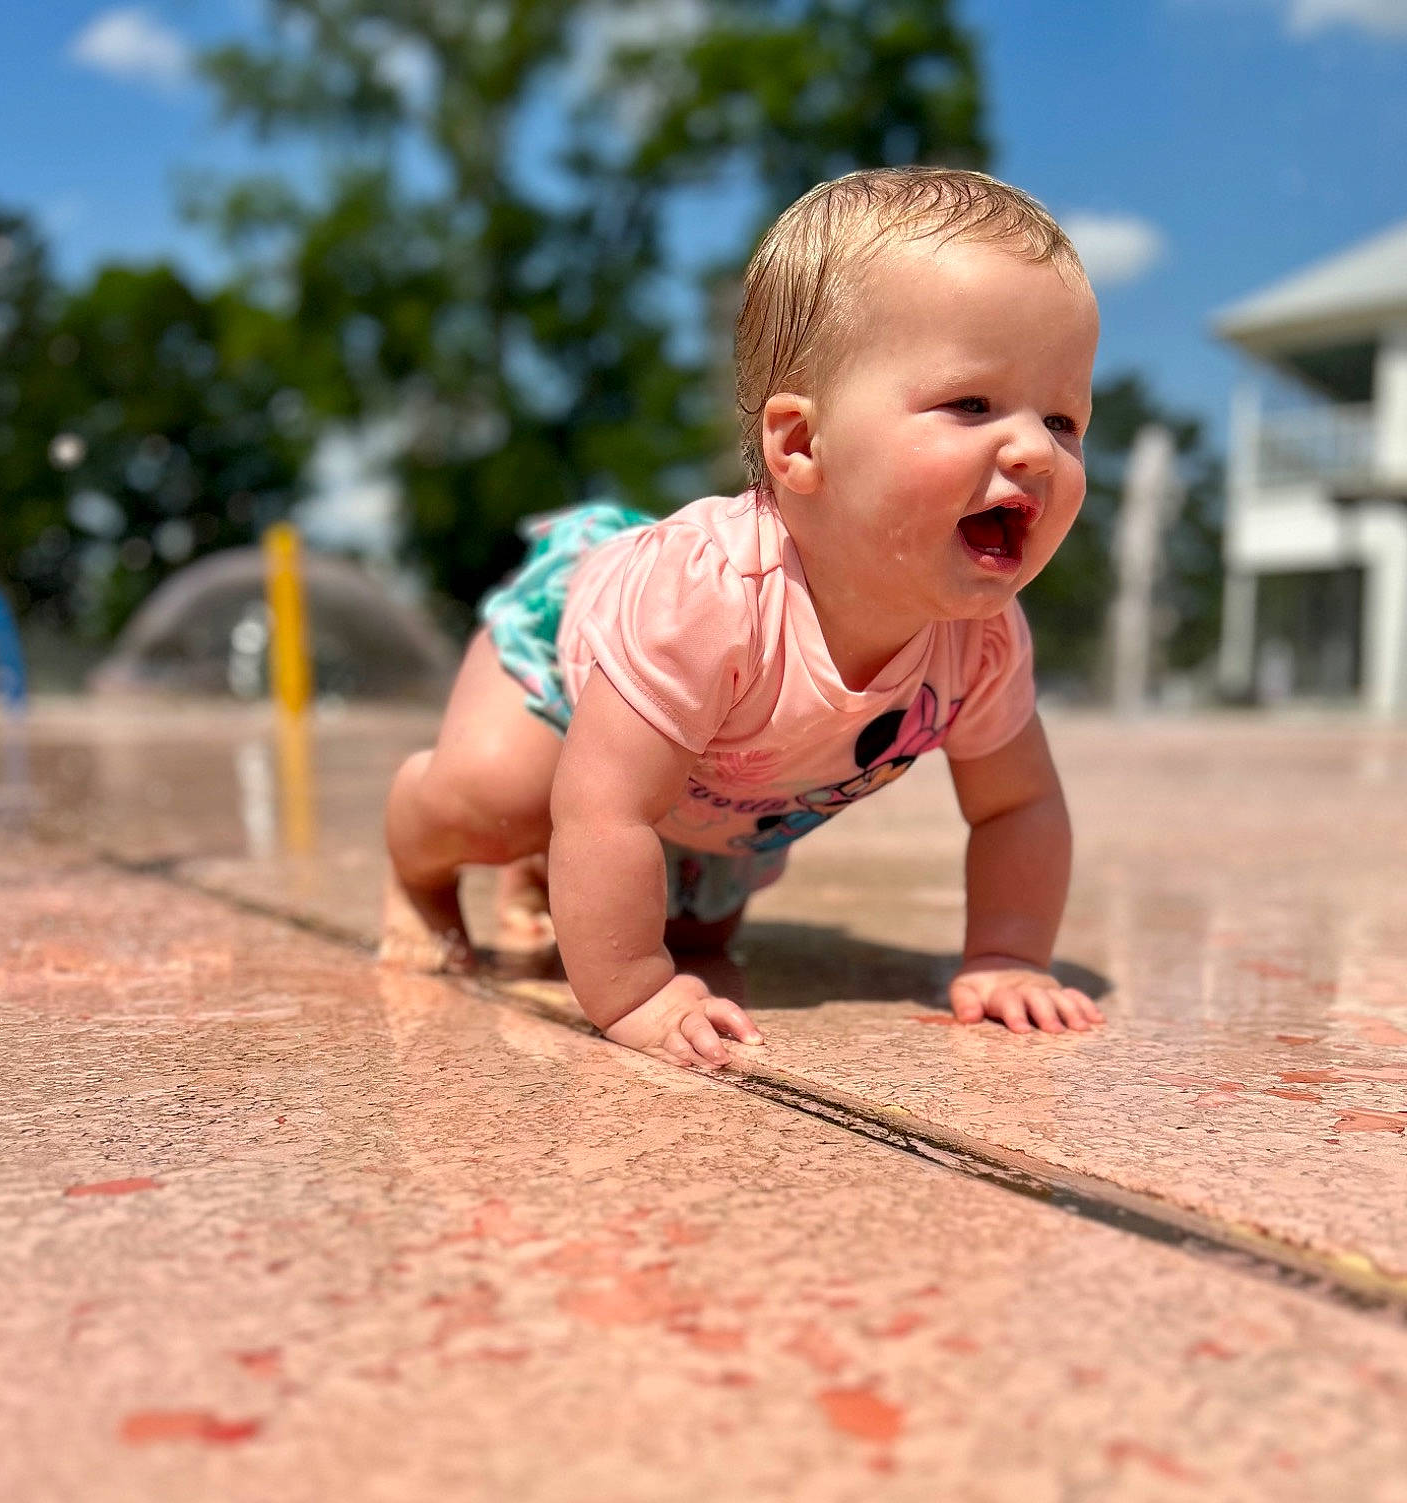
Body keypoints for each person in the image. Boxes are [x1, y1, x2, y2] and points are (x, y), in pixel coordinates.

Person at [383, 165, 1106, 1068]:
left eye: (1065, 420)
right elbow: (606, 810)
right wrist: (634, 991)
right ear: (801, 444)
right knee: (501, 800)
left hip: (719, 792)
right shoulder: (712, 598)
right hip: (578, 657)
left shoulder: (984, 642)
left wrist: (1008, 957)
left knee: (700, 931)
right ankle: (416, 866)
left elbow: (1019, 805)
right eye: (972, 404)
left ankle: (545, 872)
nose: (1036, 449)